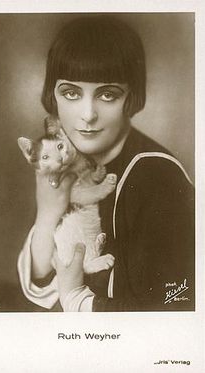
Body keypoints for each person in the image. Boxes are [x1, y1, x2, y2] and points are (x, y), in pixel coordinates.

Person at [17, 15, 195, 312]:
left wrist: (78, 299)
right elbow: (41, 274)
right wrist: (48, 213)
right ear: (53, 96)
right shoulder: (63, 160)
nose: (87, 115)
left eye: (107, 94)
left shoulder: (158, 177)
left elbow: (171, 310)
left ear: (131, 98)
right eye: (71, 93)